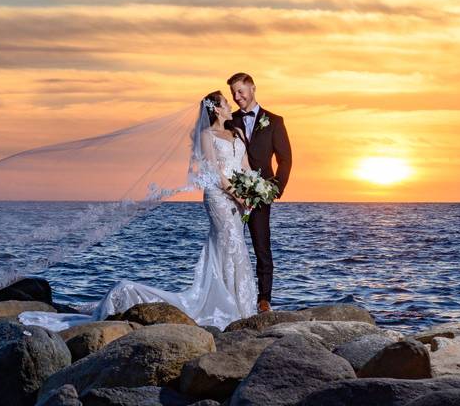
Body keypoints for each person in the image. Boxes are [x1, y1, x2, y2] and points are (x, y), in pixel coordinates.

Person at [19, 90, 258, 330]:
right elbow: (214, 172)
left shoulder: (236, 132)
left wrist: (252, 190)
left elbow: (245, 166)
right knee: (230, 242)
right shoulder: (207, 135)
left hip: (238, 200)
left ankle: (242, 306)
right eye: (226, 102)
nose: (231, 105)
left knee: (235, 246)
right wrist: (237, 194)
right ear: (216, 109)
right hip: (218, 197)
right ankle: (226, 308)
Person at [227, 72, 292, 313]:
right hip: (231, 193)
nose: (237, 97)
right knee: (231, 244)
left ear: (253, 89)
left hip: (261, 194)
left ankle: (264, 299)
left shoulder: (274, 121)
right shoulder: (228, 120)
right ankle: (231, 295)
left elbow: (285, 159)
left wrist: (275, 189)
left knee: (261, 246)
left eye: (240, 91)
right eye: (233, 93)